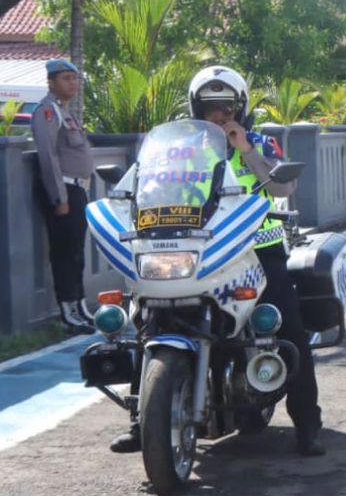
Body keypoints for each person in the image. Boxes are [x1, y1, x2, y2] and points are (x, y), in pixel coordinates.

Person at [113, 65, 325, 456]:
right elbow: (140, 185)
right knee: (146, 317)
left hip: (257, 250)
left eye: (226, 106)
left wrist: (245, 149)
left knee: (288, 328)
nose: (219, 115)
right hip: (196, 249)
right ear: (196, 109)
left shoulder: (261, 142)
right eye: (210, 107)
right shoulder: (178, 149)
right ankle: (142, 420)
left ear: (240, 107)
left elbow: (283, 185)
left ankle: (308, 422)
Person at [31, 58, 96, 332]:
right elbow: (48, 157)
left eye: (74, 78)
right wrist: (59, 198)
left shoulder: (65, 112)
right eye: (66, 78)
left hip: (76, 188)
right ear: (51, 82)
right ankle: (67, 310)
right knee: (63, 253)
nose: (73, 83)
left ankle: (80, 303)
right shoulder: (47, 112)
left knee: (76, 252)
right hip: (63, 191)